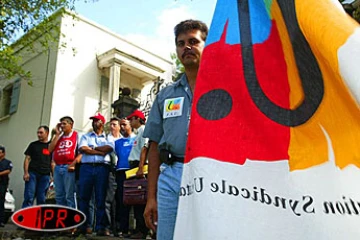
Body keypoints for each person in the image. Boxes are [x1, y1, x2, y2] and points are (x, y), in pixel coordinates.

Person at [143, 19, 208, 239]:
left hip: (210, 173)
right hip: (171, 175)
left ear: (206, 45)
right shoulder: (165, 96)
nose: (186, 47)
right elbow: (153, 147)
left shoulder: (221, 90)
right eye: (181, 43)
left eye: (193, 41)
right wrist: (151, 197)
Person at [77, 113, 114, 236]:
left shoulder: (108, 137)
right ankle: (84, 225)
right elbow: (83, 149)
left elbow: (108, 148)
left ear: (102, 123)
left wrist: (92, 148)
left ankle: (100, 227)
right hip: (86, 168)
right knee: (83, 197)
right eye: (93, 121)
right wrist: (99, 150)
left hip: (102, 168)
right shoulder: (85, 136)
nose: (94, 123)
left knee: (101, 198)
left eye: (96, 121)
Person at [126, 110, 150, 239]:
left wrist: (140, 167)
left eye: (132, 119)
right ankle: (138, 228)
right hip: (134, 166)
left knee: (140, 198)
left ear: (137, 119)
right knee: (135, 198)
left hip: (139, 166)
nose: (130, 122)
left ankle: (143, 229)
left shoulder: (143, 130)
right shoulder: (138, 133)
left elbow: (144, 149)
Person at [49, 116, 81, 208]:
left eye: (64, 123)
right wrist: (57, 134)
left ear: (71, 124)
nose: (62, 126)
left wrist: (73, 164)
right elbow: (50, 149)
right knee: (59, 195)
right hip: (58, 168)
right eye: (61, 124)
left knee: (69, 195)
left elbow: (81, 153)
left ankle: (72, 218)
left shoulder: (77, 135)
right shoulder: (58, 137)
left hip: (69, 167)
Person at [114, 118, 136, 238]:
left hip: (133, 171)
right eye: (120, 125)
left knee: (136, 199)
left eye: (124, 125)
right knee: (122, 201)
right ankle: (123, 228)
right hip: (121, 172)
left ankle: (138, 228)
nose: (122, 127)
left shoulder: (136, 139)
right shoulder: (117, 142)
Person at [22, 125, 52, 208]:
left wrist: (53, 177)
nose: (39, 134)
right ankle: (25, 218)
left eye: (41, 133)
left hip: (45, 176)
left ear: (47, 133)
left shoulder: (51, 146)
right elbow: (27, 159)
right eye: (38, 133)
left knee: (41, 198)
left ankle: (40, 218)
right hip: (32, 174)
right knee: (29, 196)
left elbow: (53, 162)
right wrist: (26, 173)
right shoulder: (33, 145)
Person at [104, 117, 122, 236]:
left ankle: (119, 227)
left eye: (114, 124)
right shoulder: (106, 139)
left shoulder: (123, 139)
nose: (112, 127)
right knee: (108, 200)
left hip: (121, 171)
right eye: (111, 125)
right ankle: (107, 226)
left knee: (120, 201)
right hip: (109, 169)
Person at [0, 145, 12, 227]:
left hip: (2, 184)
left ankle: (1, 220)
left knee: (1, 202)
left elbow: (8, 170)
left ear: (3, 153)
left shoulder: (7, 162)